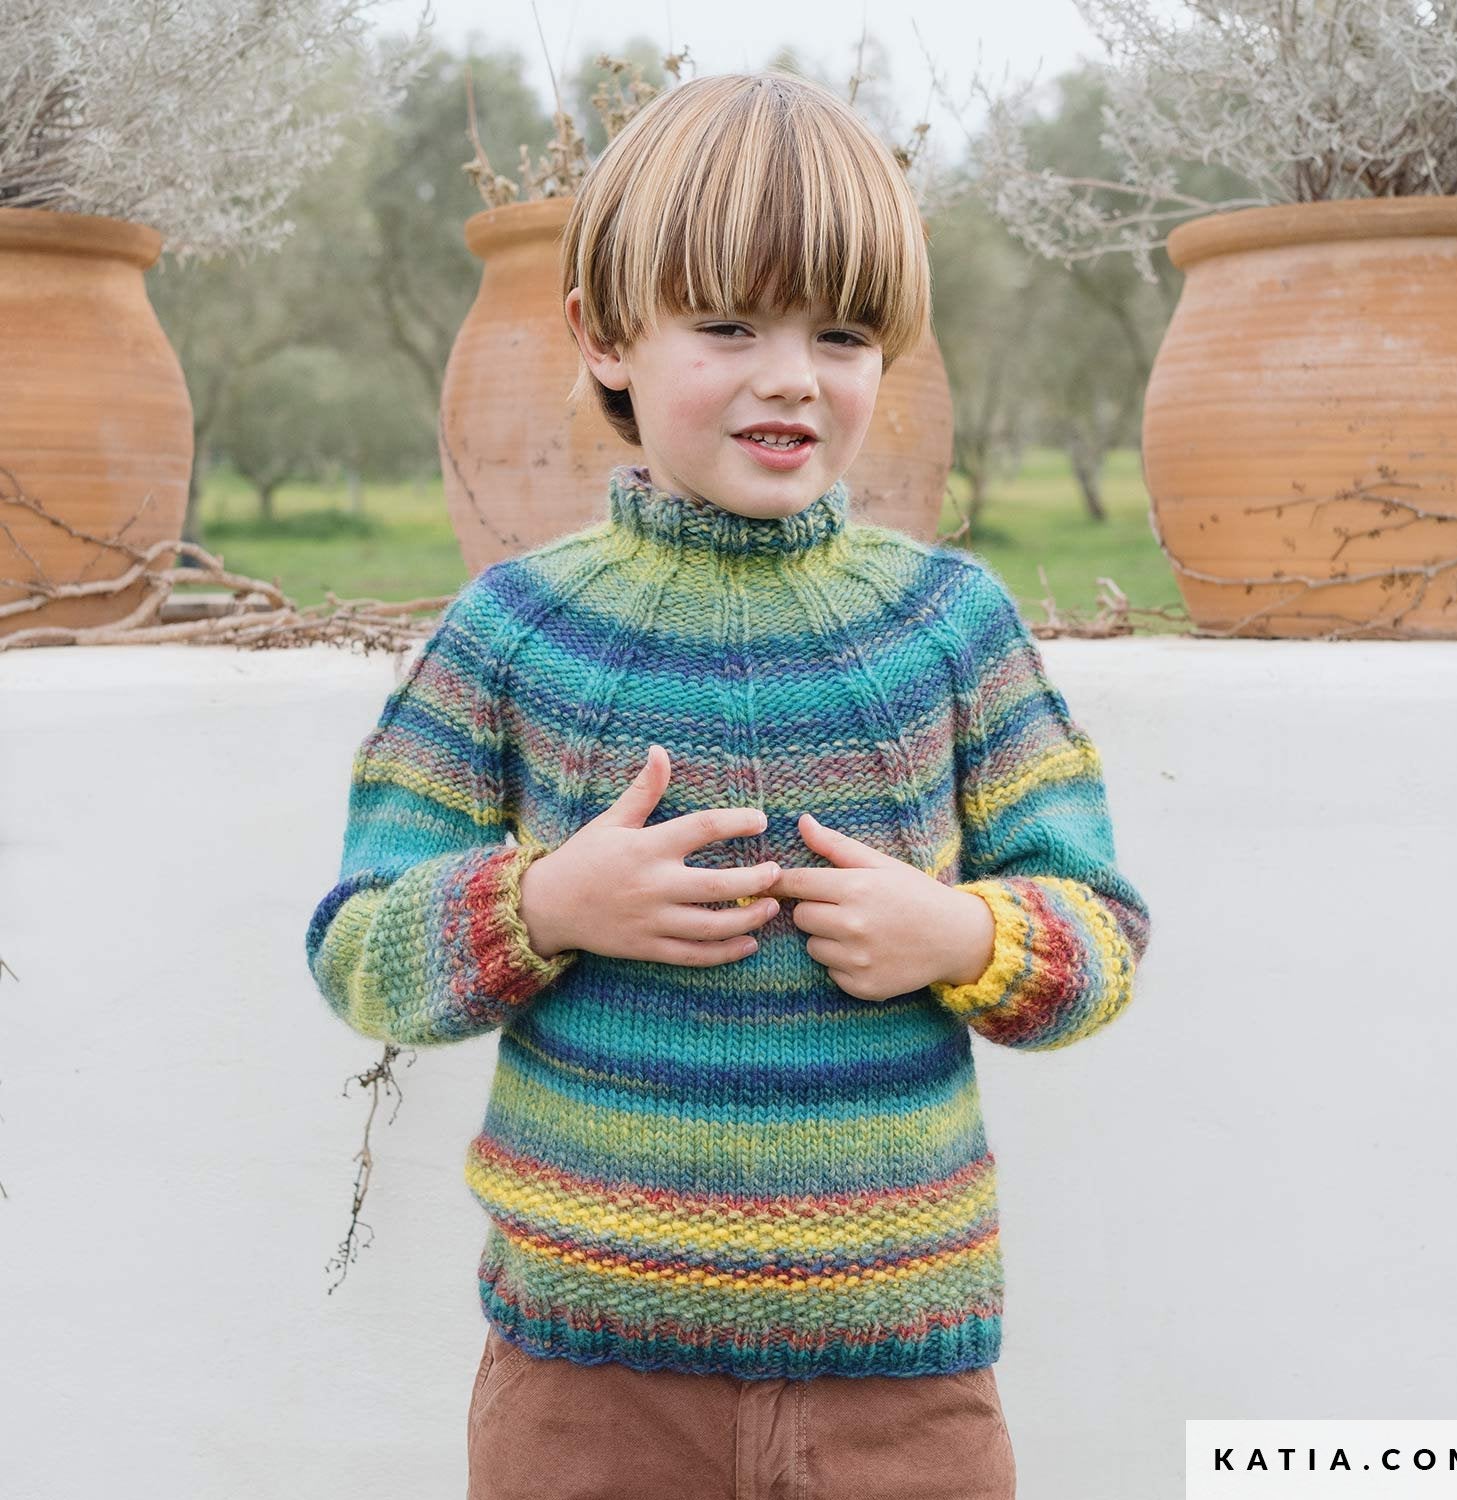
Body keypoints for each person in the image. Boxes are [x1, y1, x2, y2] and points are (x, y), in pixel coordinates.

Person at [305, 69, 1151, 1500]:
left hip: (905, 1379)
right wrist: (543, 907)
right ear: (604, 334)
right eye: (729, 325)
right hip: (589, 1385)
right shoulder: (513, 632)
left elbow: (1101, 936)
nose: (792, 376)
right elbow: (358, 950)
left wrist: (964, 935)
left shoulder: (951, 626)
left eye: (842, 332)